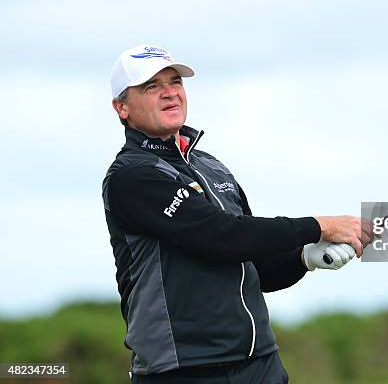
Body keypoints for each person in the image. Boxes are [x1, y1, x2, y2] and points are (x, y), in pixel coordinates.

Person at [102, 44, 372, 383]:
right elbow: (223, 236)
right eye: (152, 87)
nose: (170, 93)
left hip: (259, 364)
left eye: (175, 82)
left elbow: (254, 264)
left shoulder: (212, 168)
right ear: (122, 107)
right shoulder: (132, 176)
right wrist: (319, 227)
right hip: (182, 371)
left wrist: (304, 258)